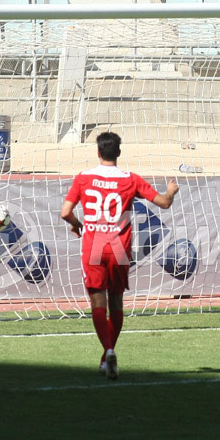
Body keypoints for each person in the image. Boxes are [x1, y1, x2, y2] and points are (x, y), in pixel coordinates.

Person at [60, 132, 179, 380]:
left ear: (98, 152)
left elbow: (65, 212)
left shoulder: (84, 178)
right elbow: (164, 203)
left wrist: (77, 224)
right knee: (116, 302)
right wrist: (171, 190)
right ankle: (108, 356)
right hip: (119, 249)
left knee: (97, 302)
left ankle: (108, 351)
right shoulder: (131, 179)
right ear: (119, 152)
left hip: (93, 246)